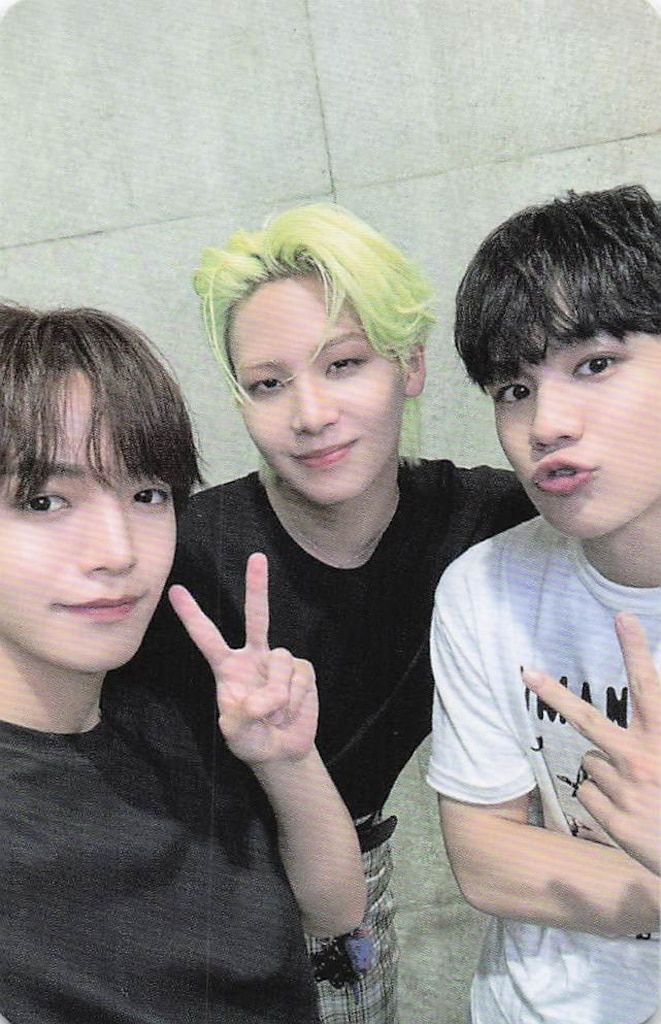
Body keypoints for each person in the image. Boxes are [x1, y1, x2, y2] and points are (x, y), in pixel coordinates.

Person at [129, 203, 536, 1024]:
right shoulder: (180, 555)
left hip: (353, 882)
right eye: (268, 383)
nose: (310, 414)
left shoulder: (491, 526)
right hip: (182, 899)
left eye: (343, 364)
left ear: (410, 365)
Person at [0, 303, 365, 1024]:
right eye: (44, 501)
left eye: (147, 494)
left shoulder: (172, 707)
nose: (118, 551)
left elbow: (333, 912)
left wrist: (286, 761)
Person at [426, 185, 661, 1023]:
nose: (545, 424)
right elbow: (486, 859)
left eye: (593, 364)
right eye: (512, 388)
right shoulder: (485, 587)